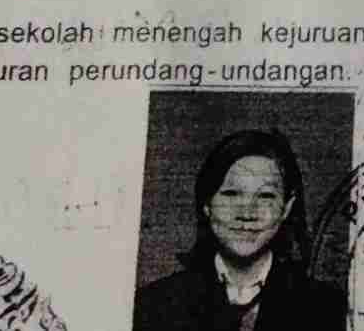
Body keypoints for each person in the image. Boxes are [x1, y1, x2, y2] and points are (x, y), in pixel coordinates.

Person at [134, 128, 345, 331]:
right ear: (207, 203)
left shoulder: (327, 308)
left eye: (265, 196)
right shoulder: (154, 304)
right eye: (231, 194)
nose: (247, 213)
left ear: (286, 208)